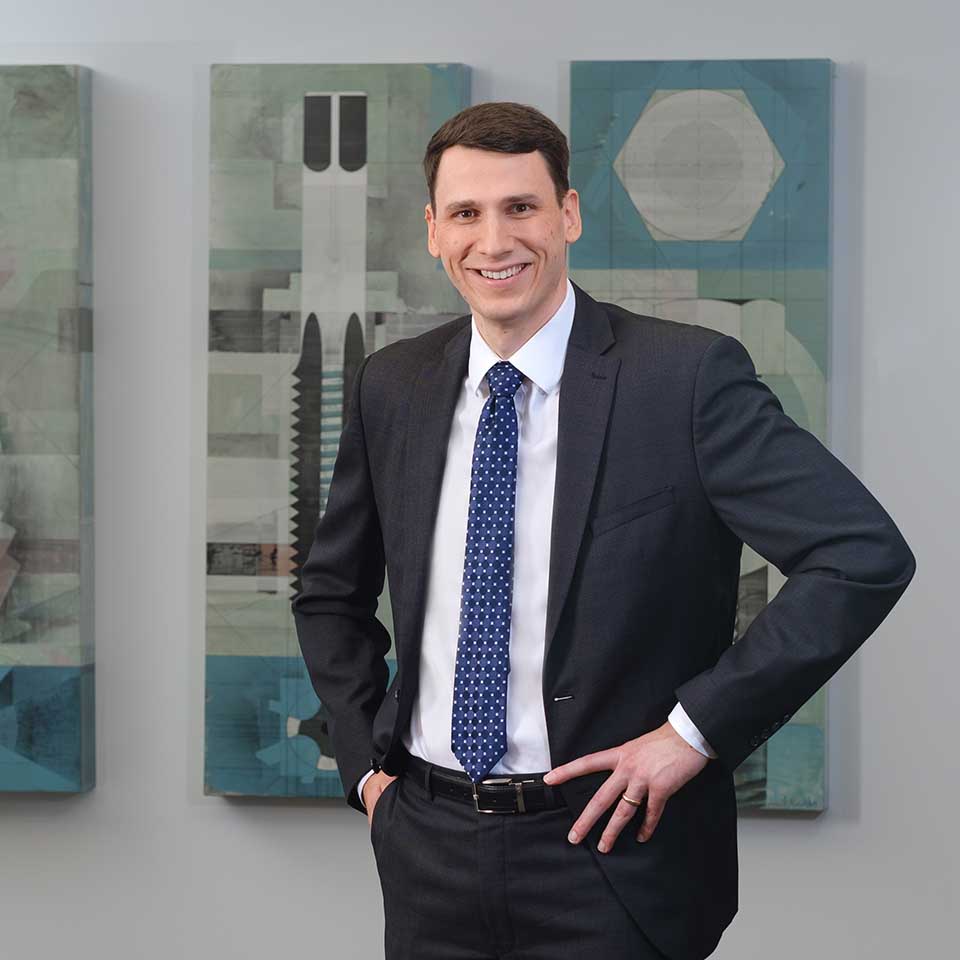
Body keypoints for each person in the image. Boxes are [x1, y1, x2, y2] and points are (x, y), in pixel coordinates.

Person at [291, 101, 916, 960]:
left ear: (569, 215)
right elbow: (331, 591)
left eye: (522, 207)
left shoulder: (684, 378)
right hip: (426, 843)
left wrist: (693, 733)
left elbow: (860, 556)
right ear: (434, 231)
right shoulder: (393, 384)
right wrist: (368, 773)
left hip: (614, 856)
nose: (495, 240)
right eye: (467, 214)